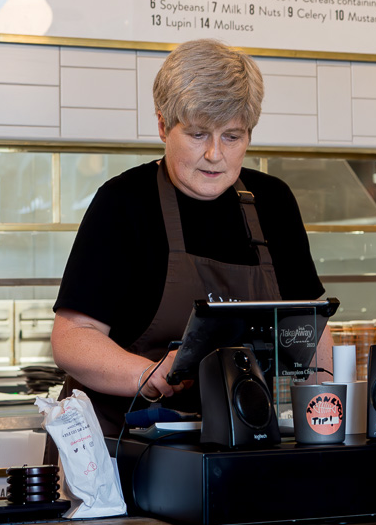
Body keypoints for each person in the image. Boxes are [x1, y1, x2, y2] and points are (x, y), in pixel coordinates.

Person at [52, 39, 330, 438]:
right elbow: (73, 337)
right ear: (164, 125)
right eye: (199, 134)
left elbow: (312, 325)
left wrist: (320, 420)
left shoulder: (274, 202)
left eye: (232, 137)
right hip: (120, 444)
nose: (215, 155)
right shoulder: (124, 203)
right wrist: (144, 373)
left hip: (237, 437)